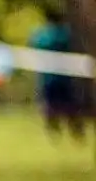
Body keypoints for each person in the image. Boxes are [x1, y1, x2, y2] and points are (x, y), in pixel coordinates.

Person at [29, 9, 88, 141]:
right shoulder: (65, 34)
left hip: (49, 80)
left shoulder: (41, 36)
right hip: (63, 80)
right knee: (70, 109)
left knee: (52, 109)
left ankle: (56, 134)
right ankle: (75, 134)